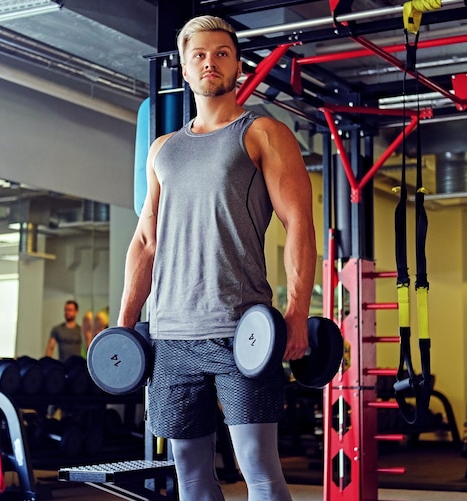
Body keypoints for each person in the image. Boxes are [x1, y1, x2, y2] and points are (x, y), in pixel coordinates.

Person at [117, 15, 316, 501]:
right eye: (199, 55)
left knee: (258, 466)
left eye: (222, 53)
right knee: (188, 468)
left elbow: (299, 224)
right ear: (185, 68)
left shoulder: (263, 132)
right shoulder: (163, 149)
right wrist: (125, 325)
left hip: (241, 328)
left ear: (238, 66)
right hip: (170, 335)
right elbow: (145, 240)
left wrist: (297, 311)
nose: (210, 62)